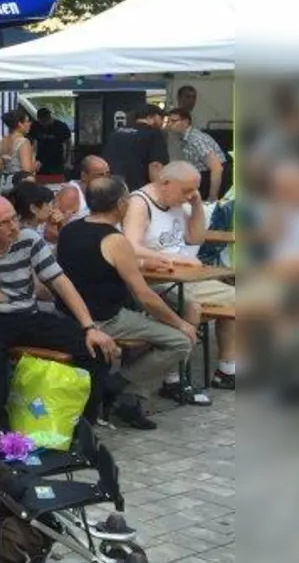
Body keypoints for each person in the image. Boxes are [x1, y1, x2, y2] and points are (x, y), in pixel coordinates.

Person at [0, 193, 119, 432]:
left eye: (14, 218)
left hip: (27, 315)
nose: (13, 226)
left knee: (94, 350)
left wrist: (89, 327)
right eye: (4, 223)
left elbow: (60, 282)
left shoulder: (29, 238)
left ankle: (81, 424)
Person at [56, 176, 197, 430]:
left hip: (68, 316)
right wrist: (181, 323)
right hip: (105, 320)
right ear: (121, 204)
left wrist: (141, 263)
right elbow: (144, 295)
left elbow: (95, 264)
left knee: (149, 329)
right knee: (180, 341)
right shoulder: (115, 239)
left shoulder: (69, 230)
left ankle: (130, 398)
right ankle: (120, 384)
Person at [122, 160, 236, 395]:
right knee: (191, 307)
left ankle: (227, 369)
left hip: (187, 276)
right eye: (186, 190)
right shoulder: (140, 203)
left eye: (194, 190)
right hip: (155, 279)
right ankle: (174, 378)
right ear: (165, 183)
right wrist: (175, 260)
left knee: (236, 299)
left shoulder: (177, 202)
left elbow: (196, 238)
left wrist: (195, 205)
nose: (190, 195)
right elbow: (130, 246)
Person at [102, 105, 170, 193]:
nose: (162, 123)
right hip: (138, 189)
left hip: (111, 186)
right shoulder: (154, 133)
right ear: (152, 117)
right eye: (161, 118)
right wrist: (160, 191)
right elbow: (155, 165)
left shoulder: (116, 132)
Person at [165, 107, 227, 201]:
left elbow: (217, 169)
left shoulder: (196, 139)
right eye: (168, 121)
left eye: (173, 121)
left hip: (211, 178)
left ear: (186, 122)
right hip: (203, 176)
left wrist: (212, 197)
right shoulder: (185, 138)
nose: (169, 124)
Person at [55, 155, 111, 222]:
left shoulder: (106, 191)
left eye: (107, 174)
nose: (105, 178)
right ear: (84, 176)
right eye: (99, 175)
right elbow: (54, 229)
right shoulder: (71, 194)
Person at [0, 109, 36, 189]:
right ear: (20, 124)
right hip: (19, 185)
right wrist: (35, 164)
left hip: (4, 183)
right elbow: (26, 170)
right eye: (27, 121)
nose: (30, 124)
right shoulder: (23, 142)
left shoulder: (3, 141)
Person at [29, 108, 72, 179]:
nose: (43, 125)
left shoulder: (60, 126)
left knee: (56, 180)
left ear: (49, 118)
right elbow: (31, 141)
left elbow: (68, 143)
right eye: (41, 122)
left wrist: (68, 160)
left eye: (44, 122)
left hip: (56, 161)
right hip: (40, 161)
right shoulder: (35, 126)